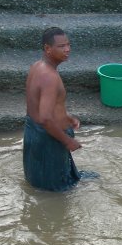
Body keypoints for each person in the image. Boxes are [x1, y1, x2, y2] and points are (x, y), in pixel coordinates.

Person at [23, 27, 82, 191]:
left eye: (68, 44)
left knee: (44, 185)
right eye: (61, 46)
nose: (67, 49)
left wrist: (65, 116)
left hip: (34, 135)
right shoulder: (50, 77)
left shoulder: (37, 66)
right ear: (47, 49)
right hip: (47, 140)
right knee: (56, 192)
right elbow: (46, 119)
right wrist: (68, 141)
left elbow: (38, 106)